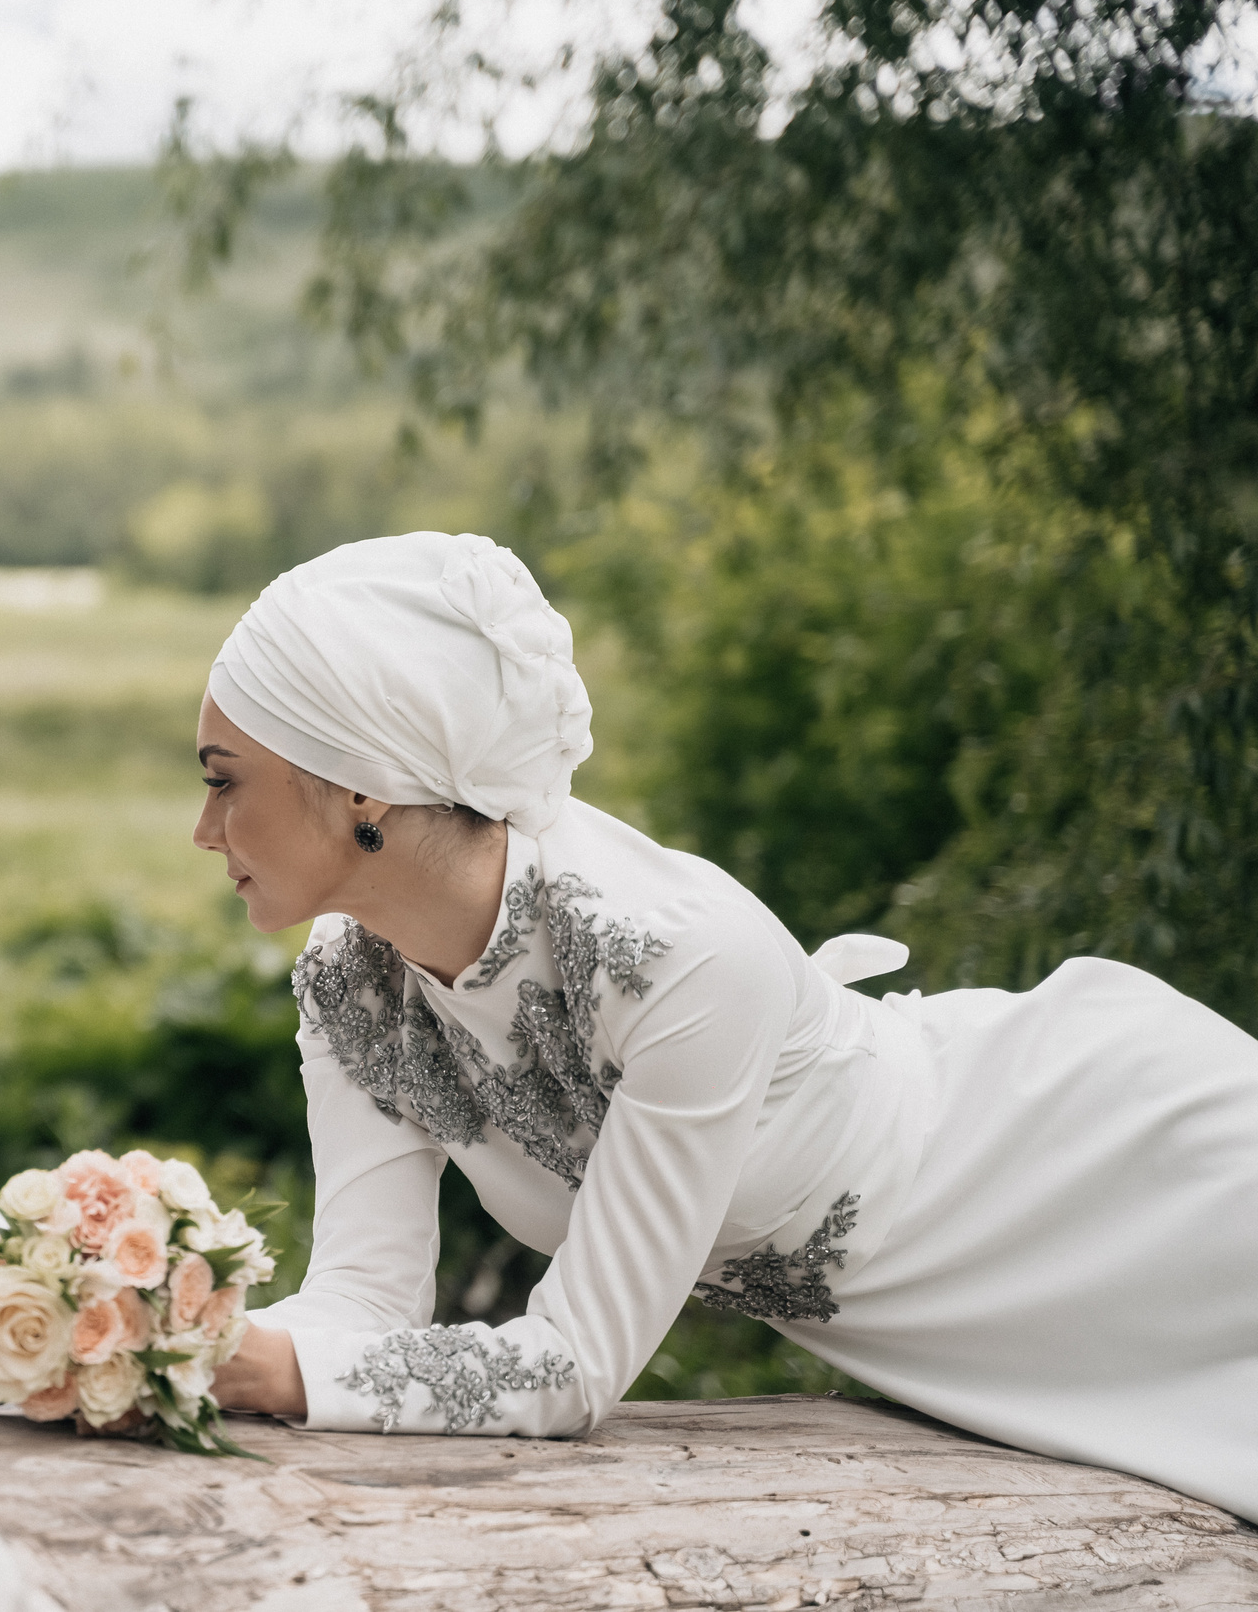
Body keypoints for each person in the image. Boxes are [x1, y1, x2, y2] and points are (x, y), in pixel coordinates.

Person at [189, 533, 1258, 1523]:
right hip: (958, 1344)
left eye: (223, 782)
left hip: (1113, 1173)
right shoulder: (349, 983)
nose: (203, 830)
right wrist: (175, 1345)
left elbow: (570, 1369)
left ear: (357, 783)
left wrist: (271, 1372)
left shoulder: (680, 958)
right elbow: (365, 1299)